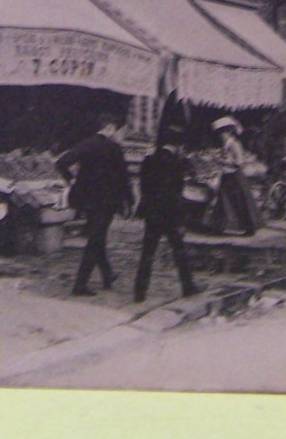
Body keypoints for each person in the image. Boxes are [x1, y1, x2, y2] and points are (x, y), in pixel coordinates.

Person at [56, 112, 132, 296]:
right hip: (107, 201)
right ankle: (80, 285)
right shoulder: (114, 148)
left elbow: (61, 162)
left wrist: (72, 180)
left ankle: (107, 274)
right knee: (95, 239)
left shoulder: (86, 144)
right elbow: (123, 177)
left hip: (87, 200)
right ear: (110, 128)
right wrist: (129, 200)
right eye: (115, 129)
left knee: (97, 236)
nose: (115, 133)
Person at [132, 133, 202, 304]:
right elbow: (178, 192)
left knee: (147, 253)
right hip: (170, 214)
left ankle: (140, 292)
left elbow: (143, 186)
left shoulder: (149, 160)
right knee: (179, 251)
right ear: (177, 145)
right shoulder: (177, 163)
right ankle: (188, 286)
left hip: (152, 212)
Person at [205, 116, 262, 237]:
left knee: (240, 201)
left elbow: (239, 162)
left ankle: (249, 227)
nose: (221, 136)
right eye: (220, 133)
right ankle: (218, 227)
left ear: (229, 132)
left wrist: (222, 161)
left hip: (235, 176)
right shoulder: (226, 145)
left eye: (223, 133)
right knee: (223, 201)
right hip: (227, 175)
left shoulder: (235, 144)